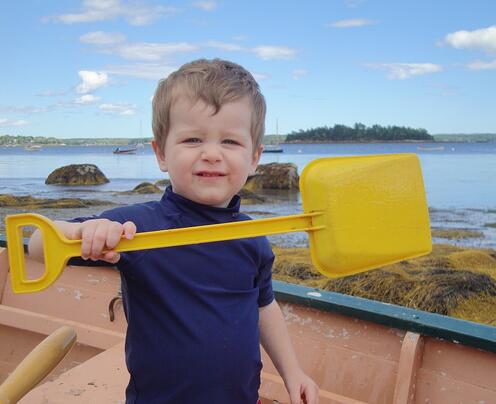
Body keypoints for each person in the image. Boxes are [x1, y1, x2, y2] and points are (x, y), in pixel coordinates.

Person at [29, 59, 319, 404]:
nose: (211, 154)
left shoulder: (253, 236)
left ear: (255, 157)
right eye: (193, 139)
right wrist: (85, 233)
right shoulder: (135, 228)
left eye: (230, 142)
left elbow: (263, 308)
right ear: (160, 153)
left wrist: (293, 372)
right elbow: (36, 244)